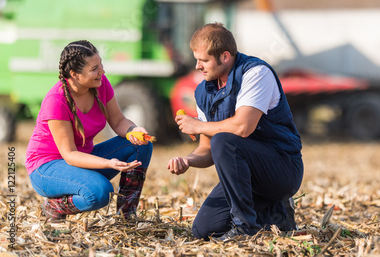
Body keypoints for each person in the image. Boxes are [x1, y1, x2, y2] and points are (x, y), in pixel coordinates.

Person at [168, 22, 303, 240]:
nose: (197, 66)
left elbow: (242, 127)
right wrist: (188, 160)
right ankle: (277, 217)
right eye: (196, 59)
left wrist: (198, 125)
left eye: (203, 60)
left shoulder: (256, 73)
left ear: (225, 56)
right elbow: (207, 149)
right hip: (245, 177)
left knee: (224, 140)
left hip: (282, 168)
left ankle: (245, 227)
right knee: (203, 231)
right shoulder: (203, 91)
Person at [25, 40, 153, 221]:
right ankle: (54, 206)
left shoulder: (101, 85)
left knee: (141, 145)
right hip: (47, 167)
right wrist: (108, 163)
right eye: (94, 68)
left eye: (101, 64)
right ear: (74, 74)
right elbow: (69, 154)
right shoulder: (56, 101)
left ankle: (127, 215)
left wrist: (133, 130)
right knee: (101, 193)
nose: (102, 71)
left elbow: (118, 121)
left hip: (82, 159)